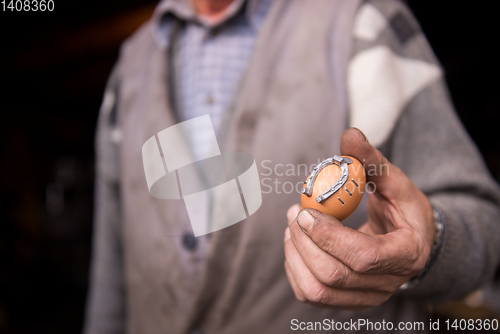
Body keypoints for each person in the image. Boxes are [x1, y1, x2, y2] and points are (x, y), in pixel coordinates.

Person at [84, 0, 500, 333]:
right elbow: (112, 268)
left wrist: (430, 245)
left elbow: (485, 220)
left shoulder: (360, 22)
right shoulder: (130, 68)